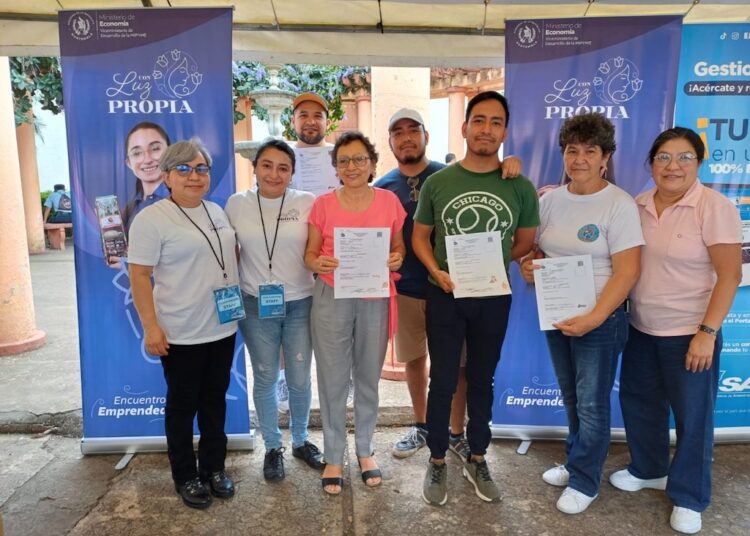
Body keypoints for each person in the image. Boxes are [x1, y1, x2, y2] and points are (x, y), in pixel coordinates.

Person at [609, 127, 741, 534]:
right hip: (641, 327)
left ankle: (689, 495)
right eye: (664, 157)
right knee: (640, 402)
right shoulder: (638, 203)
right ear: (651, 163)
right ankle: (649, 469)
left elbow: (731, 276)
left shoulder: (715, 207)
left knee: (693, 417)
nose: (673, 166)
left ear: (699, 163)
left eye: (685, 157)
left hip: (690, 332)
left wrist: (707, 332)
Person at [414, 91, 539, 506]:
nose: (487, 129)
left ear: (505, 131)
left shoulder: (520, 186)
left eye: (496, 122)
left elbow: (525, 242)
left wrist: (491, 264)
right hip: (445, 294)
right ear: (465, 127)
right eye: (479, 120)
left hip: (492, 295)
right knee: (443, 379)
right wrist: (437, 271)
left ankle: (478, 457)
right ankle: (437, 459)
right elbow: (420, 238)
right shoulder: (438, 182)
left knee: (483, 378)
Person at [375, 108, 521, 461]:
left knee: (457, 366)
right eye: (398, 132)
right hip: (407, 289)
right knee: (414, 361)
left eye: (413, 130)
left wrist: (509, 163)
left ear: (426, 136)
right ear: (390, 141)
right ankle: (423, 426)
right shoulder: (381, 188)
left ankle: (456, 432)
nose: (406, 138)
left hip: (455, 290)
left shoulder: (451, 177)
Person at [520, 113, 643, 514]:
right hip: (557, 315)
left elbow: (628, 271)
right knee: (573, 397)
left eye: (590, 151)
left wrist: (594, 318)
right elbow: (536, 251)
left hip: (601, 321)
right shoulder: (550, 201)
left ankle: (585, 482)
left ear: (605, 157)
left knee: (591, 404)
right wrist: (528, 266)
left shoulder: (619, 204)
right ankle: (577, 462)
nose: (580, 159)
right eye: (572, 150)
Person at [129, 139, 239, 509]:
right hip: (180, 332)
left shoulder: (216, 210)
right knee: (182, 407)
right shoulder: (152, 219)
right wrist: (151, 327)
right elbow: (139, 276)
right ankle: (186, 476)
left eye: (201, 168)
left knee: (214, 402)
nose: (194, 176)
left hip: (222, 327)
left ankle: (213, 468)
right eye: (184, 169)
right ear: (166, 176)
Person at [305, 131, 406, 495]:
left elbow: (399, 248)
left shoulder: (389, 201)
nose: (352, 166)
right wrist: (318, 262)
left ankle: (365, 449)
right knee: (332, 378)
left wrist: (397, 258)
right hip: (332, 294)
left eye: (359, 159)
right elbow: (309, 255)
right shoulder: (322, 205)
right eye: (344, 160)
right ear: (336, 168)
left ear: (372, 164)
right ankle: (334, 455)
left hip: (374, 296)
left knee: (367, 376)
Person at [225, 139, 324, 482]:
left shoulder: (307, 202)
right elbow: (227, 253)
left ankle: (300, 440)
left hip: (301, 301)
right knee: (266, 375)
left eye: (283, 168)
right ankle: (272, 447)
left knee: (299, 376)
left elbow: (319, 246)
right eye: (266, 165)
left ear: (292, 173)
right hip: (255, 303)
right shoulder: (237, 204)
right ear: (255, 168)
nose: (274, 174)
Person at [123, 121, 171, 233]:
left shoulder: (185, 201)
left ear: (170, 152)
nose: (147, 159)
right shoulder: (130, 210)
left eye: (155, 149)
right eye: (137, 153)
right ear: (129, 163)